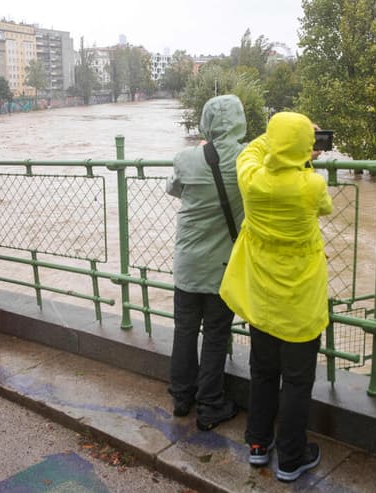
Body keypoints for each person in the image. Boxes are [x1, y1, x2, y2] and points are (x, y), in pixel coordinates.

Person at [220, 112, 333, 482]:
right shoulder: (311, 185)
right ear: (306, 147)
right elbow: (324, 208)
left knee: (263, 371)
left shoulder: (252, 180)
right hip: (299, 301)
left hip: (263, 297)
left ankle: (257, 443)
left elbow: (249, 152)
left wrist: (280, 143)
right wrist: (302, 156)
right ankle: (290, 457)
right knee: (297, 381)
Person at [165, 95, 245, 430]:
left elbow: (175, 189)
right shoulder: (248, 159)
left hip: (187, 263)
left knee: (184, 330)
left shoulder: (185, 157)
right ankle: (210, 406)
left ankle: (182, 397)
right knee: (215, 333)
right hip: (223, 267)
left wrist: (202, 151)